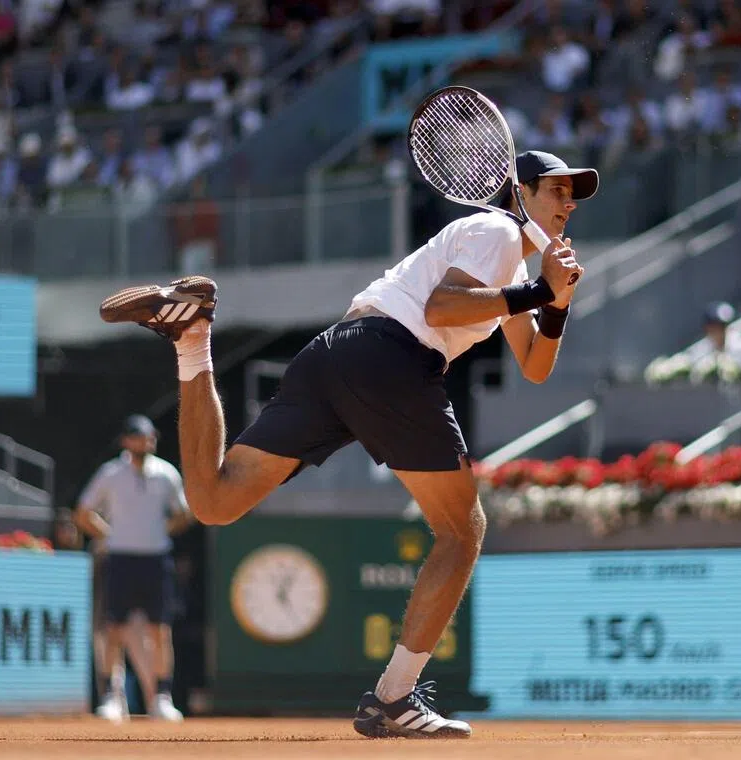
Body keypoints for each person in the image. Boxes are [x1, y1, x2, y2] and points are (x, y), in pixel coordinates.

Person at [99, 150, 597, 739]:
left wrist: (555, 302)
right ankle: (394, 699)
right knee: (463, 532)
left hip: (336, 353)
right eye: (556, 190)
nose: (567, 203)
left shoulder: (511, 266)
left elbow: (535, 364)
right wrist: (539, 289)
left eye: (574, 194)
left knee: (212, 501)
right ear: (521, 192)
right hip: (393, 356)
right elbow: (443, 306)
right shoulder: (496, 230)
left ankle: (192, 337)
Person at [75, 414, 195, 723]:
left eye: (150, 436)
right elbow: (83, 512)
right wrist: (110, 534)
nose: (147, 441)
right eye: (140, 436)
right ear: (126, 440)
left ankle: (162, 699)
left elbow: (184, 513)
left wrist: (160, 531)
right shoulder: (110, 473)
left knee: (160, 630)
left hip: (156, 560)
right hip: (120, 559)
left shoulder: (166, 474)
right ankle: (112, 698)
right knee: (113, 630)